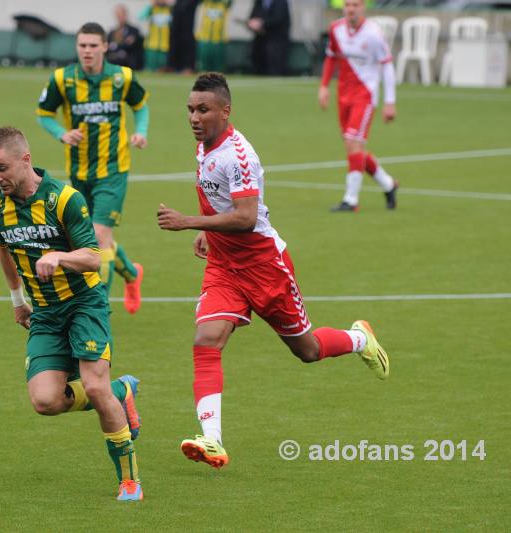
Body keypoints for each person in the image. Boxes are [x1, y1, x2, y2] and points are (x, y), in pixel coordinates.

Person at [157, 73, 390, 469]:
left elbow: (247, 218)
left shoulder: (238, 155)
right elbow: (222, 202)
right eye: (190, 109)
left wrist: (191, 223)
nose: (194, 117)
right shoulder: (204, 146)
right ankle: (211, 439)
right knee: (206, 340)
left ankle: (358, 338)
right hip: (225, 265)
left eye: (203, 109)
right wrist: (210, 233)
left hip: (266, 266)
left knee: (308, 350)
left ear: (225, 111)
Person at [0, 126, 143, 501]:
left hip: (84, 304)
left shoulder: (64, 200)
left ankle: (129, 480)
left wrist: (58, 256)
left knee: (96, 386)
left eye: (2, 168)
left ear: (25, 159)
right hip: (45, 314)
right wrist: (17, 300)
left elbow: (92, 257)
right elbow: (3, 250)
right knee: (45, 402)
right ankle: (122, 392)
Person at [37, 22, 149, 314]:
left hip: (113, 170)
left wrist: (141, 131)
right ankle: (132, 274)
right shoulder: (63, 79)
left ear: (104, 47)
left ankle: (98, 308)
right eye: (82, 45)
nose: (87, 51)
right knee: (86, 238)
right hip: (79, 171)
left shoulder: (122, 77)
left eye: (92, 45)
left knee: (99, 238)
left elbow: (140, 105)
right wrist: (61, 133)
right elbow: (44, 114)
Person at [319, 0, 398, 212]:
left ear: (363, 7)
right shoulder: (336, 29)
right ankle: (388, 184)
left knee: (353, 143)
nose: (351, 8)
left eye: (355, 4)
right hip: (343, 95)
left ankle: (351, 200)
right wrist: (324, 86)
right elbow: (331, 58)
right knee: (354, 147)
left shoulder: (373, 33)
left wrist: (390, 101)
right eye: (347, 4)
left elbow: (387, 65)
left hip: (365, 96)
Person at [246, 0, 291, 75]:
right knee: (258, 66)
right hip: (260, 39)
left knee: (274, 68)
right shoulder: (259, 2)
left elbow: (278, 19)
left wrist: (261, 23)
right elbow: (253, 16)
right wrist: (251, 23)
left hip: (277, 41)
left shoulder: (281, 2)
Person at [195, 0, 232, 73]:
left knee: (218, 65)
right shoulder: (204, 4)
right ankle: (203, 80)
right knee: (203, 64)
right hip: (204, 38)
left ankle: (217, 80)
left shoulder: (224, 4)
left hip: (219, 39)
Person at [167, 0, 199, 74]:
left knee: (187, 35)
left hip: (189, 5)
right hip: (178, 4)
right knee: (174, 34)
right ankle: (172, 66)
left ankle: (188, 66)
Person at [107, 4, 143, 70]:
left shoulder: (134, 31)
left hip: (129, 62)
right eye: (118, 15)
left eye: (121, 15)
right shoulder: (112, 32)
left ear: (126, 15)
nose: (120, 17)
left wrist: (115, 46)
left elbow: (130, 46)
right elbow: (108, 46)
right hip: (114, 60)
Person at [140, 0, 171, 72]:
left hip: (165, 46)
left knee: (162, 71)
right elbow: (140, 17)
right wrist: (150, 6)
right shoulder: (151, 9)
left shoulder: (170, 10)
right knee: (149, 70)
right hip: (151, 45)